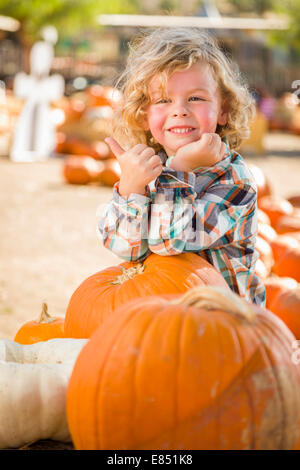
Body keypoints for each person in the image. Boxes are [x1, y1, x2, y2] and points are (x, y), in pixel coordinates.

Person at [98, 27, 266, 306]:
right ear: (143, 115)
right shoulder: (148, 171)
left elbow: (169, 242)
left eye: (196, 98)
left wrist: (180, 170)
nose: (179, 110)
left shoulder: (235, 181)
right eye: (163, 100)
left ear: (223, 110)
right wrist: (130, 188)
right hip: (160, 319)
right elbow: (124, 249)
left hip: (226, 326)